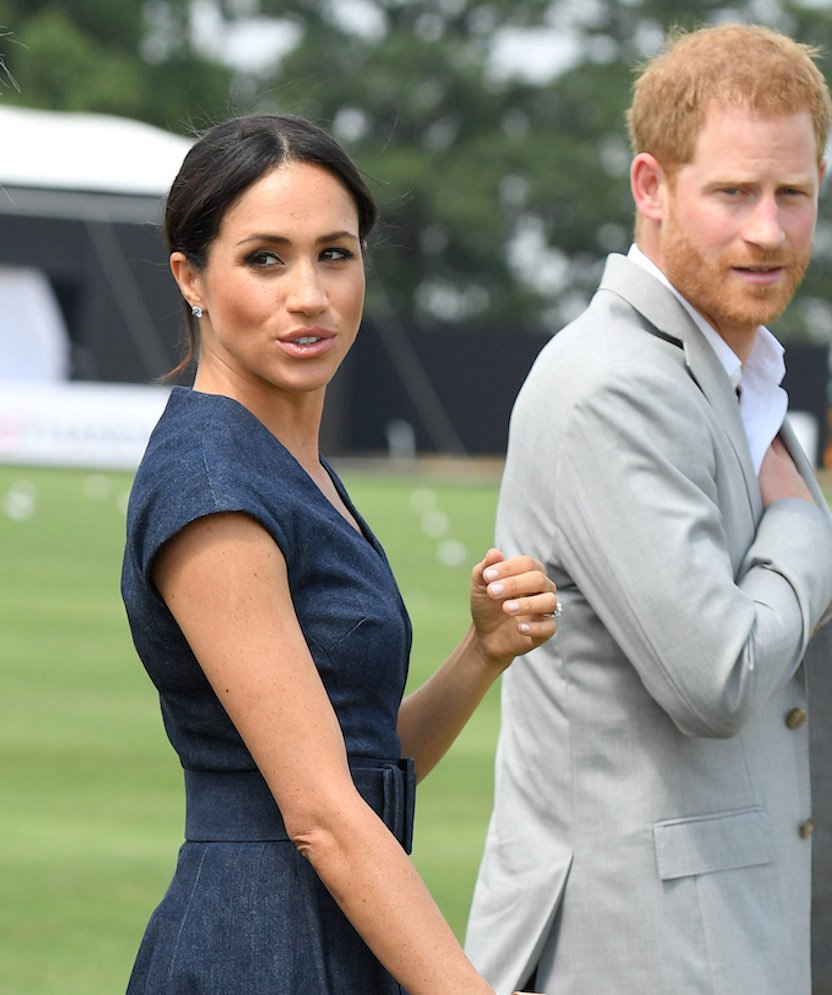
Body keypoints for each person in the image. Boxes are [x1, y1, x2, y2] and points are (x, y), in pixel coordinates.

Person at [465, 24, 832, 995]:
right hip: (632, 954)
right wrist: (806, 532)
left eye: (793, 194)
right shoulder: (611, 386)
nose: (767, 229)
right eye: (732, 192)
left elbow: (790, 717)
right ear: (652, 187)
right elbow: (719, 677)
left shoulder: (735, 371)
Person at [121, 113, 558, 994]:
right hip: (261, 944)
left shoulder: (289, 464)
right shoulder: (214, 483)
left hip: (341, 923)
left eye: (335, 253)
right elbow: (321, 811)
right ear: (191, 278)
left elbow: (360, 766)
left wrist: (479, 654)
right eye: (265, 258)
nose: (310, 294)